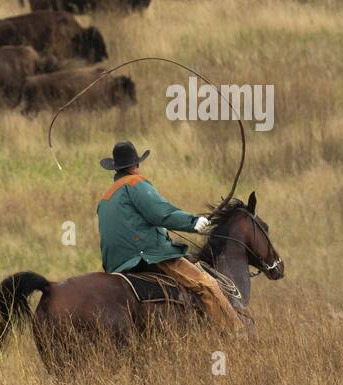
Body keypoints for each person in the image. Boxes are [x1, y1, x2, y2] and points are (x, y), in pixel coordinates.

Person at [96, 141, 241, 329]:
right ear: (136, 165)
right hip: (145, 256)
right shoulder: (135, 183)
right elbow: (160, 213)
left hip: (116, 265)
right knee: (208, 285)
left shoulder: (105, 198)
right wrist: (193, 222)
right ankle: (237, 334)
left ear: (115, 169)